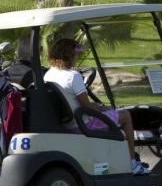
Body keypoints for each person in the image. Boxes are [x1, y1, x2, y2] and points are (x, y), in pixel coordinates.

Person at [44, 38, 150, 175]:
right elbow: (87, 106)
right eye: (76, 54)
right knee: (126, 116)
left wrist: (98, 107)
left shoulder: (48, 75)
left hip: (67, 123)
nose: (77, 57)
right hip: (83, 124)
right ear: (69, 55)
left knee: (106, 110)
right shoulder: (73, 76)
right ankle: (133, 163)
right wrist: (102, 108)